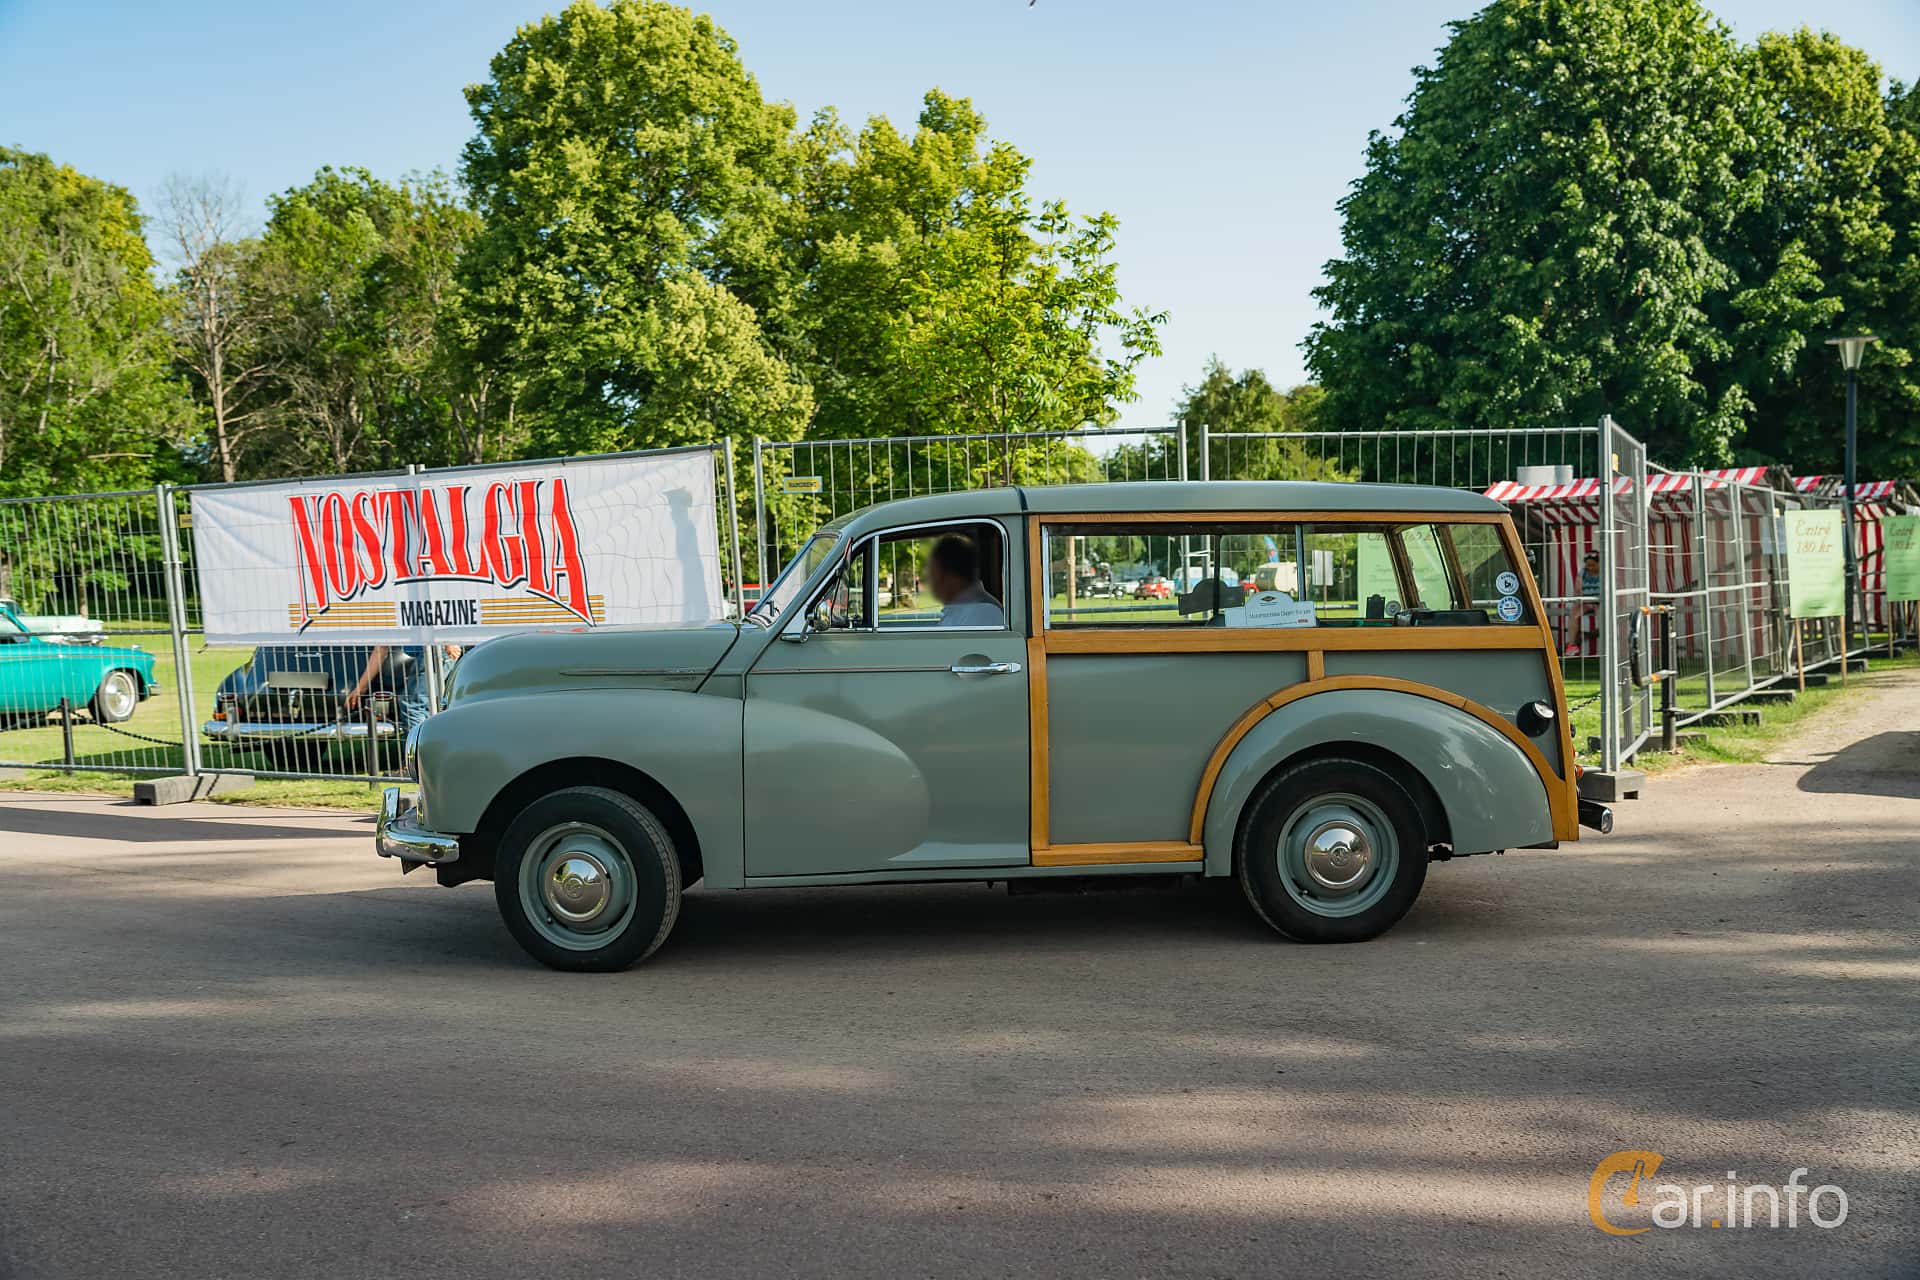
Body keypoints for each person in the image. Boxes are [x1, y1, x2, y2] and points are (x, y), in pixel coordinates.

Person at [924, 534, 1003, 627]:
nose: (930, 582)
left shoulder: (982, 611)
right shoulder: (964, 608)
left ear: (950, 575)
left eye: (933, 573)